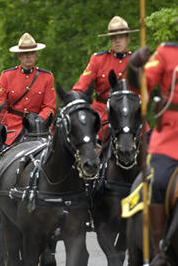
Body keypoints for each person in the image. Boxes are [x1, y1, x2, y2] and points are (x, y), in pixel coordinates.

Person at [127, 41, 178, 264]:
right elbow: (142, 84)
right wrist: (134, 67)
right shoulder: (167, 53)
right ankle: (160, 249)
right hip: (171, 137)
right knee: (158, 181)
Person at [72, 16, 139, 141]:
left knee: (150, 144)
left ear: (127, 39)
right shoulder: (98, 60)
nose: (117, 41)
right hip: (103, 114)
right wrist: (74, 100)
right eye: (113, 38)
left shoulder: (135, 61)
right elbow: (81, 87)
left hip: (131, 115)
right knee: (87, 149)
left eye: (121, 37)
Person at [0, 32, 56, 145]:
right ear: (19, 56)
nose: (28, 56)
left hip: (38, 127)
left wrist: (39, 120)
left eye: (31, 53)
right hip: (12, 128)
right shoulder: (7, 76)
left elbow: (49, 106)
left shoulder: (47, 77)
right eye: (25, 53)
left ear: (36, 55)